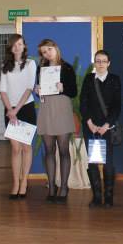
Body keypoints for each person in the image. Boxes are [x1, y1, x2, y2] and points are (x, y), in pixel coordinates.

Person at [35, 39, 78, 203]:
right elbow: (40, 89)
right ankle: (52, 187)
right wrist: (37, 89)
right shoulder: (41, 68)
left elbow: (73, 92)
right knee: (49, 150)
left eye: (49, 50)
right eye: (43, 52)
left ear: (55, 48)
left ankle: (64, 187)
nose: (47, 54)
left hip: (62, 109)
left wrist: (63, 88)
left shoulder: (67, 68)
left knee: (63, 150)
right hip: (46, 109)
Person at [79, 49, 121, 207]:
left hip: (107, 128)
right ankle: (97, 197)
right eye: (98, 61)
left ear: (109, 63)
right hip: (90, 127)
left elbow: (117, 106)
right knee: (93, 162)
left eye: (104, 61)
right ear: (94, 63)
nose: (101, 64)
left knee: (108, 162)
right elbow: (83, 102)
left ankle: (108, 197)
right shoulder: (89, 79)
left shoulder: (115, 79)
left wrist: (107, 125)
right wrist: (89, 123)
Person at [0, 34, 36, 199]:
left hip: (26, 108)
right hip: (9, 110)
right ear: (10, 47)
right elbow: (2, 90)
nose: (17, 47)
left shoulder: (30, 64)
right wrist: (10, 109)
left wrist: (16, 109)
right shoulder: (5, 66)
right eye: (14, 45)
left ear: (24, 46)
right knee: (15, 148)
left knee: (26, 147)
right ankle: (15, 183)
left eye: (20, 44)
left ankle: (24, 182)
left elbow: (29, 88)